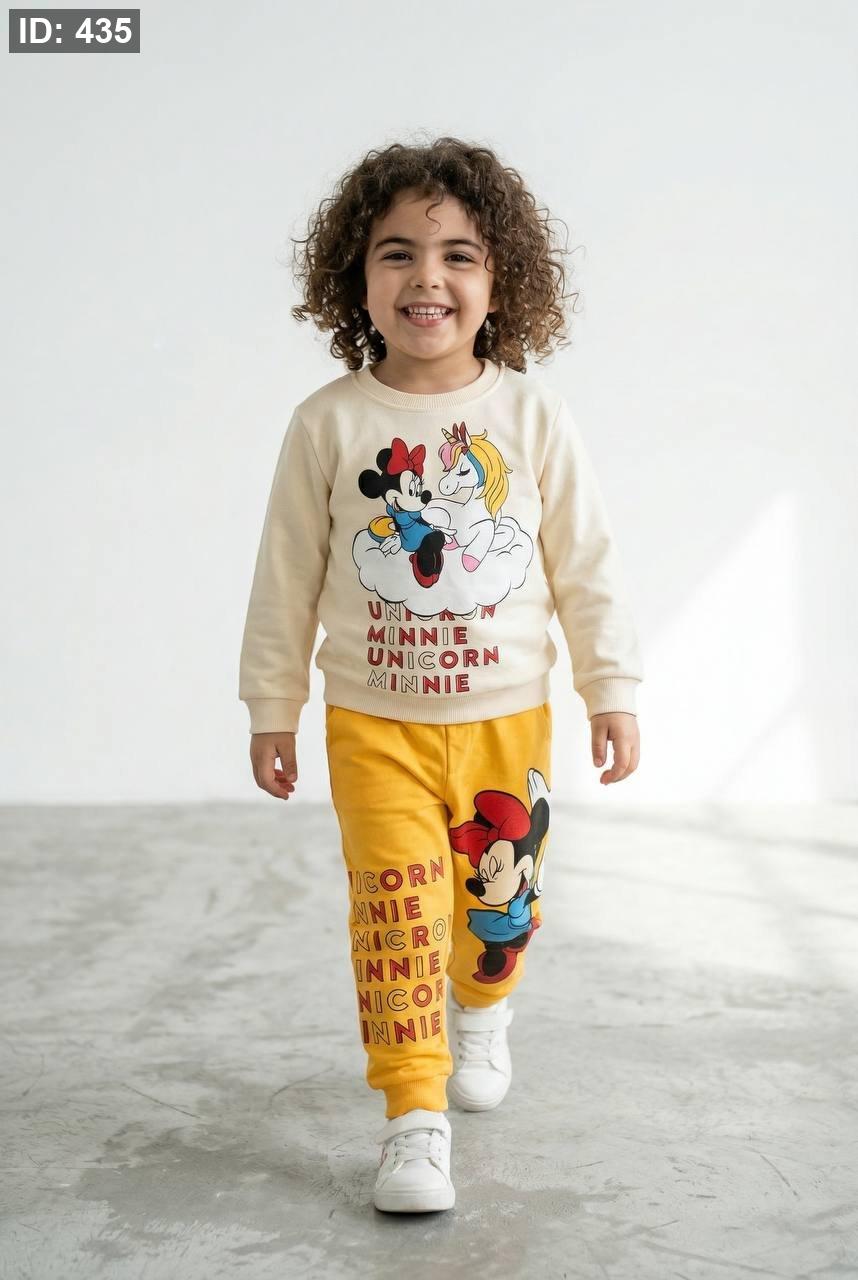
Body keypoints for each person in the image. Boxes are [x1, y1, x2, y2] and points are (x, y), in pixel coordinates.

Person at [238, 135, 643, 1214]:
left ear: (502, 281)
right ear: (357, 277)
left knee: (498, 916)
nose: (429, 278)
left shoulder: (533, 415)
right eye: (398, 253)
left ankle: (485, 1007)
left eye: (459, 254)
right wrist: (272, 704)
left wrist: (610, 685)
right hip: (373, 726)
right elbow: (285, 576)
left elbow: (585, 562)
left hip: (509, 723)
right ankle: (413, 1118)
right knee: (396, 916)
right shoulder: (328, 423)